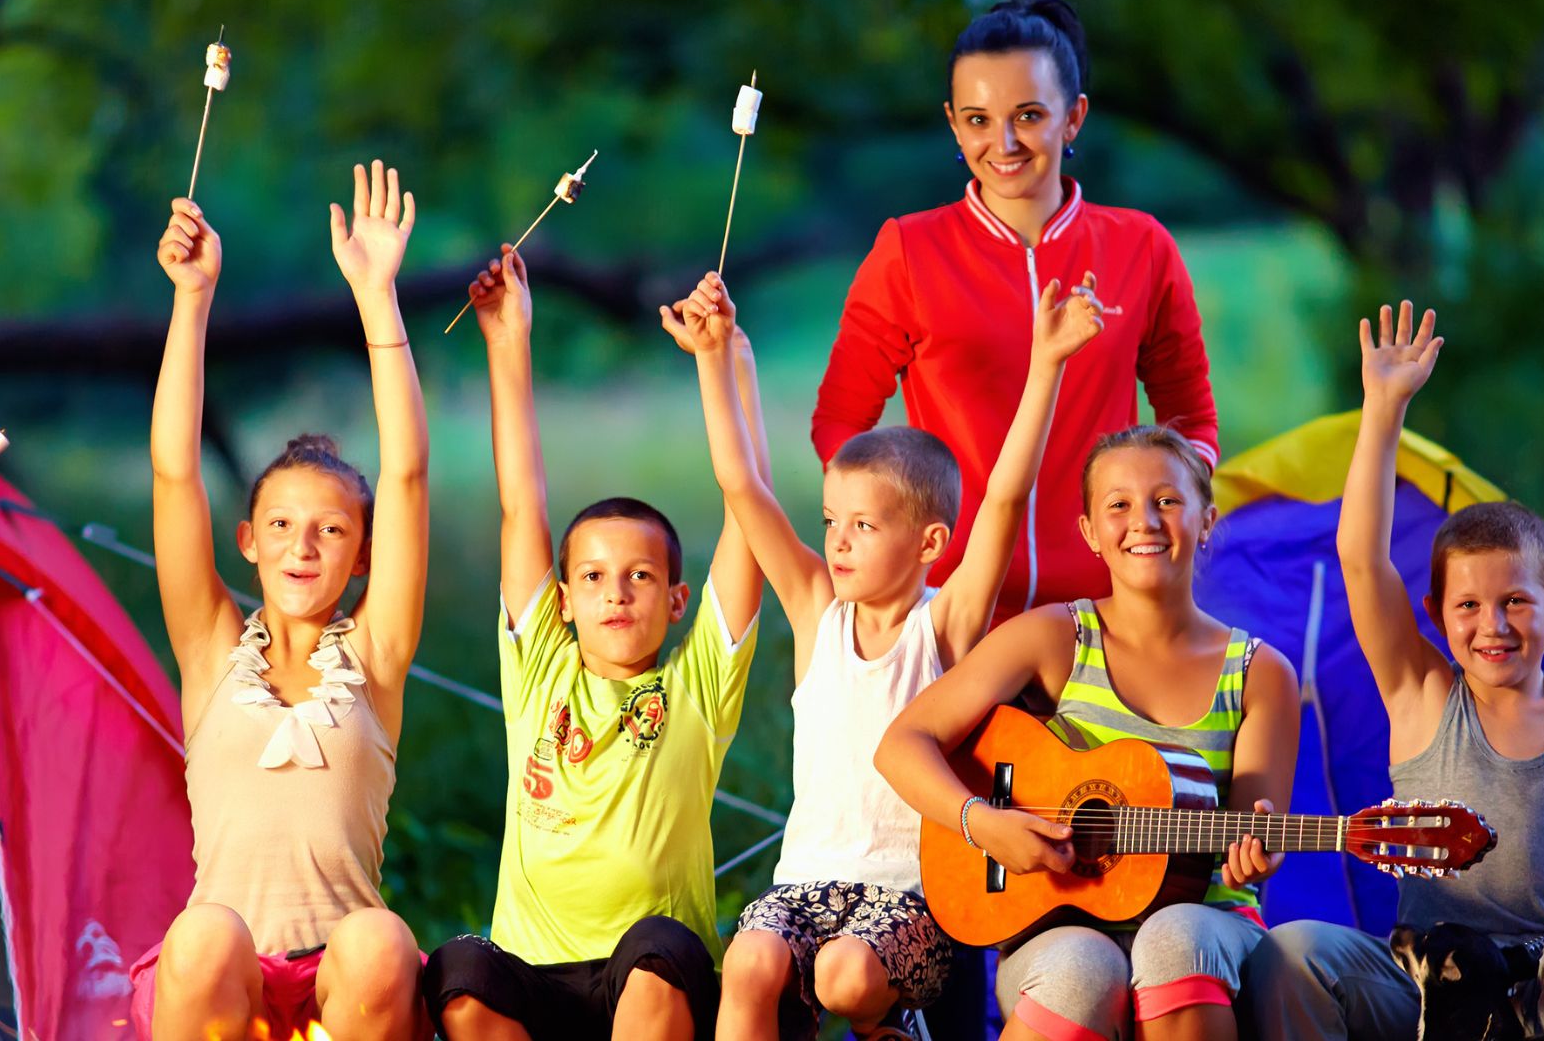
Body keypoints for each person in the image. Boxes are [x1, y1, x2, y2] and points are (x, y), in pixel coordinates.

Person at [671, 269, 1100, 1039]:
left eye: (864, 527)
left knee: (844, 975)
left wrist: (1047, 363)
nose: (837, 540)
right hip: (805, 885)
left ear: (930, 543)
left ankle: (882, 1024)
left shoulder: (947, 629)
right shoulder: (816, 611)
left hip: (914, 897)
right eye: (833, 519)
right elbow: (742, 486)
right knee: (747, 964)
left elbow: (1005, 496)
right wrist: (711, 359)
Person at [1244, 302, 1544, 1041]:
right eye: (1470, 606)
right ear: (1436, 611)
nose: (1494, 625)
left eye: (1517, 602)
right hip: (1424, 980)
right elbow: (1360, 561)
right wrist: (1383, 409)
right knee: (1290, 954)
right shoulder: (1421, 693)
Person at [418, 247, 764, 1041]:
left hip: (642, 984)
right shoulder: (539, 664)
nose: (616, 591)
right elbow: (520, 505)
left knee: (659, 949)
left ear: (678, 601)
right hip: (534, 979)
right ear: (563, 598)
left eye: (641, 576)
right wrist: (509, 343)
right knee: (461, 971)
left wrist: (726, 368)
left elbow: (749, 516)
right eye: (595, 577)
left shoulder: (699, 681)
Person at [875, 425, 1300, 1041]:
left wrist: (1251, 860)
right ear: (1090, 532)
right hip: (1057, 917)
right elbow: (902, 744)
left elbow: (1248, 854)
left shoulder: (1260, 674)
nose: (1144, 522)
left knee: (1175, 937)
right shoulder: (1053, 637)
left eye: (1168, 501)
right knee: (1081, 967)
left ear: (1207, 520)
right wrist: (984, 823)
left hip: (1205, 920)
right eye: (1118, 505)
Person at [134, 162, 430, 1041]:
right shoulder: (210, 645)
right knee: (206, 934)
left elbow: (408, 475)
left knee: (379, 938)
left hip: (344, 984)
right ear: (248, 541)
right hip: (225, 981)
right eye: (284, 525)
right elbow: (174, 470)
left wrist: (377, 293)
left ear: (362, 553)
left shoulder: (376, 655)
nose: (304, 546)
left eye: (332, 531)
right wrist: (192, 300)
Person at [812, 0, 1218, 623]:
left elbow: (1190, 414)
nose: (1002, 142)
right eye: (977, 119)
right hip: (950, 608)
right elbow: (840, 422)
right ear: (952, 122)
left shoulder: (1142, 247)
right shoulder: (908, 250)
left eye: (1028, 115)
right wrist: (882, 535)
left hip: (1106, 607)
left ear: (1073, 116)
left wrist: (1160, 518)